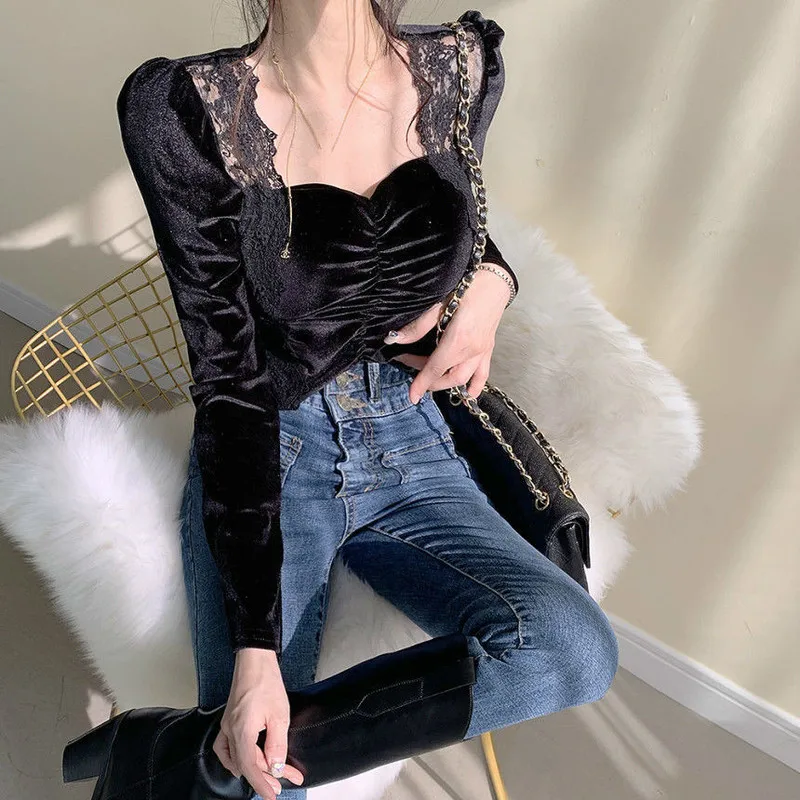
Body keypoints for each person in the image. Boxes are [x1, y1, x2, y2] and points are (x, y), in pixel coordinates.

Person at [114, 2, 619, 798]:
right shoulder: (186, 112)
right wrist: (256, 657)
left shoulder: (458, 68)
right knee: (263, 757)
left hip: (414, 436)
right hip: (275, 448)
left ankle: (187, 754)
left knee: (575, 650)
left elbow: (457, 222)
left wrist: (493, 282)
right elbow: (228, 381)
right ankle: (233, 755)